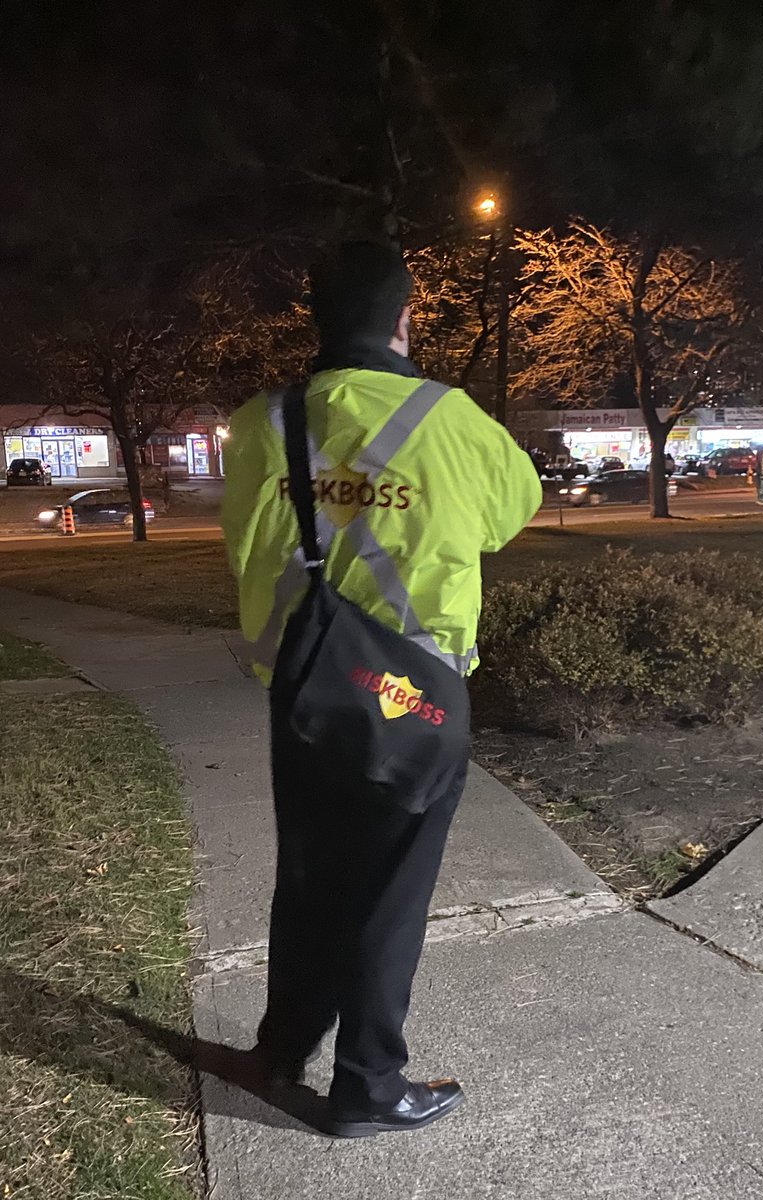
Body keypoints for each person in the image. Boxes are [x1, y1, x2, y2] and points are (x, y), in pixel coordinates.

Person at [221, 241, 542, 1138]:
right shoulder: (452, 419)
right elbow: (508, 517)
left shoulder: (262, 422)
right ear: (404, 320)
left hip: (307, 691)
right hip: (413, 700)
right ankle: (369, 1086)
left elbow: (245, 548)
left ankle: (279, 1051)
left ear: (318, 319)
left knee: (310, 876)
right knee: (388, 893)